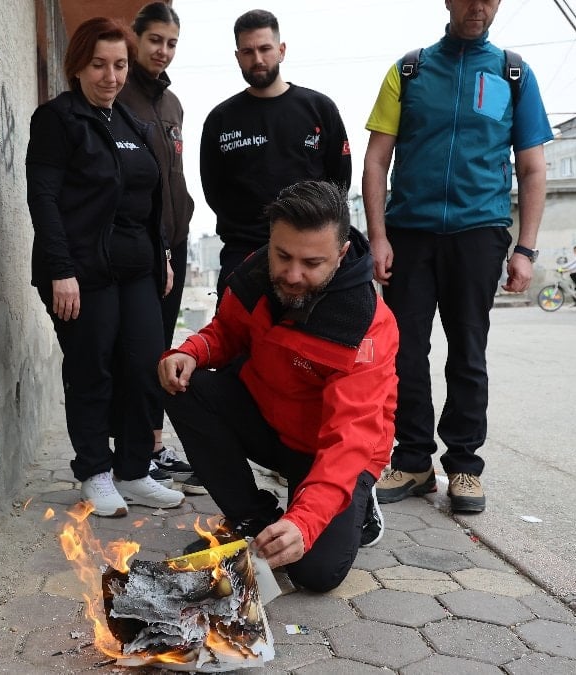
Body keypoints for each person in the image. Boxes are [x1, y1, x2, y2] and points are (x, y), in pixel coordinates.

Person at [158, 181, 398, 593]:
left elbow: (349, 440)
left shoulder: (366, 327)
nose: (292, 275)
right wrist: (192, 351)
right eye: (283, 256)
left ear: (341, 254)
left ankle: (359, 501)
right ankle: (253, 518)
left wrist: (303, 522)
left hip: (332, 451)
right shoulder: (255, 275)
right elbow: (227, 332)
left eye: (312, 263)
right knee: (181, 381)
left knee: (315, 574)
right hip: (272, 423)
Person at [362, 0, 553, 513]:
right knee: (405, 351)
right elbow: (377, 159)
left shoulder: (513, 74)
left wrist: (525, 247)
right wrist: (378, 236)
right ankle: (413, 459)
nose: (478, 6)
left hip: (478, 233)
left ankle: (465, 466)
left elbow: (532, 168)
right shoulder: (410, 70)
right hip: (410, 234)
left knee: (468, 352)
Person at [26, 17, 185, 517]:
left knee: (144, 366)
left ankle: (134, 471)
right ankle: (95, 471)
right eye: (99, 65)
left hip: (137, 269)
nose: (111, 77)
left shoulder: (130, 123)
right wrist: (60, 269)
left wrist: (162, 254)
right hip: (81, 272)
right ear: (78, 66)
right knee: (90, 369)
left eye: (119, 65)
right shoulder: (57, 119)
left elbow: (150, 198)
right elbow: (43, 198)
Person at [115, 2, 206, 496]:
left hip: (174, 240)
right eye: (155, 40)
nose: (163, 51)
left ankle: (153, 447)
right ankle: (131, 454)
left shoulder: (172, 105)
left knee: (161, 348)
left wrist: (180, 226)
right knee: (138, 351)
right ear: (135, 38)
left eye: (171, 43)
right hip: (137, 246)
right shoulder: (118, 95)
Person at [199, 9, 352, 301]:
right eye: (248, 51)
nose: (257, 59)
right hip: (244, 252)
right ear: (237, 56)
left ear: (281, 50)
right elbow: (214, 191)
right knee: (236, 330)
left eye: (265, 48)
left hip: (309, 253)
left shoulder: (320, 109)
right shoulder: (221, 119)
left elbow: (339, 183)